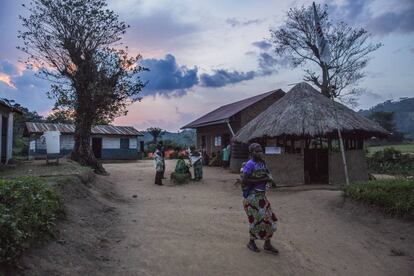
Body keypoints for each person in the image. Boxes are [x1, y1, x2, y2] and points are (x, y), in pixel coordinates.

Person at [242, 143, 278, 254]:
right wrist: (261, 180)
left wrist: (269, 180)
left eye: (260, 151)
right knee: (256, 220)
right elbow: (245, 180)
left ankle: (267, 244)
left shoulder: (262, 163)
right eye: (256, 151)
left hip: (262, 197)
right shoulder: (250, 164)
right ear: (251, 153)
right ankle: (251, 242)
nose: (259, 153)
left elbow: (267, 175)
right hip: (252, 197)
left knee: (270, 219)